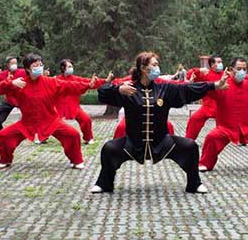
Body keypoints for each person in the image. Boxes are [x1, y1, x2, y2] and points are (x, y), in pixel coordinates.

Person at [91, 51, 229, 194]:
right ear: (144, 68)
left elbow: (187, 89)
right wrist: (118, 89)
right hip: (132, 143)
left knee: (190, 146)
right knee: (109, 148)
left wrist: (215, 85)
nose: (158, 68)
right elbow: (102, 91)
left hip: (163, 142)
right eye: (154, 64)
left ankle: (194, 183)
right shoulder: (128, 89)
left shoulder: (165, 89)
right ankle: (104, 184)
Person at [0, 54, 94, 169]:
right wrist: (10, 83)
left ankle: (76, 160)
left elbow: (69, 85)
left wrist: (87, 85)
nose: (39, 67)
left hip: (51, 121)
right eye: (35, 65)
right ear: (27, 68)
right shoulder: (20, 83)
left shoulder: (50, 82)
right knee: (4, 135)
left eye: (40, 64)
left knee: (73, 134)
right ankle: (5, 160)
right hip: (27, 123)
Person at [55, 59, 111, 144]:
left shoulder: (76, 79)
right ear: (63, 68)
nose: (71, 68)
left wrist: (105, 80)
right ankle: (42, 137)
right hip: (59, 107)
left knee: (86, 119)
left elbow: (89, 82)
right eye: (69, 66)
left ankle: (88, 138)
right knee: (49, 121)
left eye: (72, 66)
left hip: (73, 106)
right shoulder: (56, 79)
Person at [185, 55, 225, 140]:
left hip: (223, 107)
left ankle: (241, 138)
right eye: (218, 62)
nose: (221, 64)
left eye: (221, 62)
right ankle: (188, 140)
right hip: (208, 106)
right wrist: (199, 70)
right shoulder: (205, 74)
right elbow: (189, 75)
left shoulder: (225, 74)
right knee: (194, 119)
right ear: (212, 64)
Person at [0, 56, 26, 132]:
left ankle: (32, 128)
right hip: (10, 99)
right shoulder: (3, 74)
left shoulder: (23, 71)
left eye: (16, 63)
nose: (15, 65)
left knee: (31, 113)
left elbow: (33, 76)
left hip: (22, 98)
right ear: (7, 65)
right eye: (12, 63)